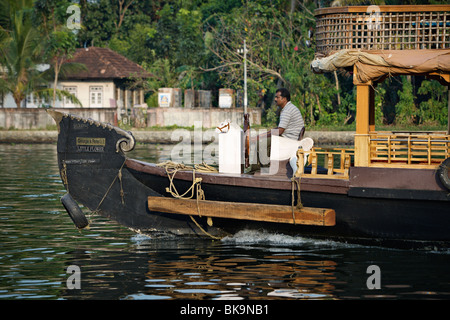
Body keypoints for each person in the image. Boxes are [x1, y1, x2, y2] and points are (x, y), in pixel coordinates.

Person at [251, 88, 304, 169]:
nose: (275, 99)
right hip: (289, 138)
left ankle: (263, 169)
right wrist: (264, 134)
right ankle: (264, 167)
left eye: (277, 97)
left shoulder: (287, 110)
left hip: (288, 140)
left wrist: (259, 137)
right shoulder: (289, 108)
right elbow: (279, 128)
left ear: (284, 99)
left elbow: (280, 131)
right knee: (263, 140)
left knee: (260, 143)